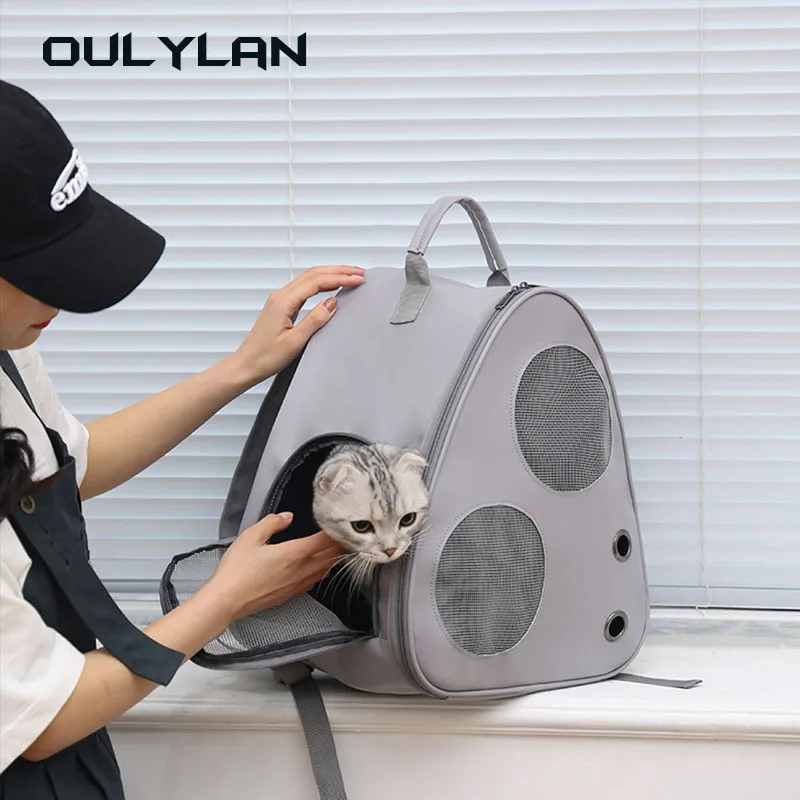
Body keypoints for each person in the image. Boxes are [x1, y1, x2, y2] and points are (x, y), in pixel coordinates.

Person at [0, 79, 364, 798]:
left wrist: (243, 368)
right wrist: (223, 601)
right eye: (37, 275)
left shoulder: (9, 342)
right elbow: (38, 717)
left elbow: (69, 463)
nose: (59, 303)